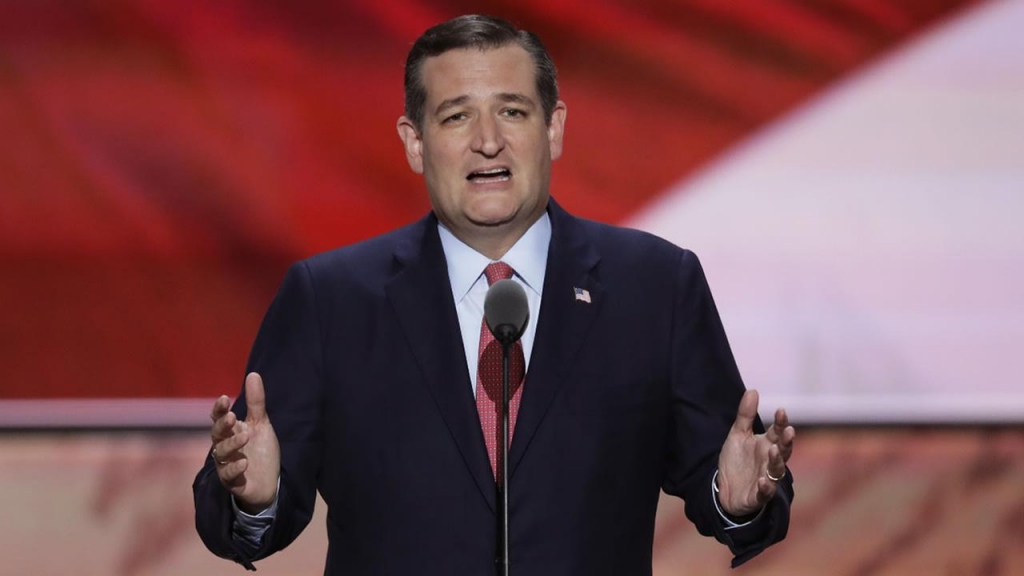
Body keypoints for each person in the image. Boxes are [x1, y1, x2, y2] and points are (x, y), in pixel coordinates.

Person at [193, 14, 795, 575]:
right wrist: (254, 496)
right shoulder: (331, 300)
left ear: (553, 128)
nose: (488, 141)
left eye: (512, 112)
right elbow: (242, 517)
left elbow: (729, 487)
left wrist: (737, 500)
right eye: (456, 116)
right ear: (415, 142)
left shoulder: (656, 286)